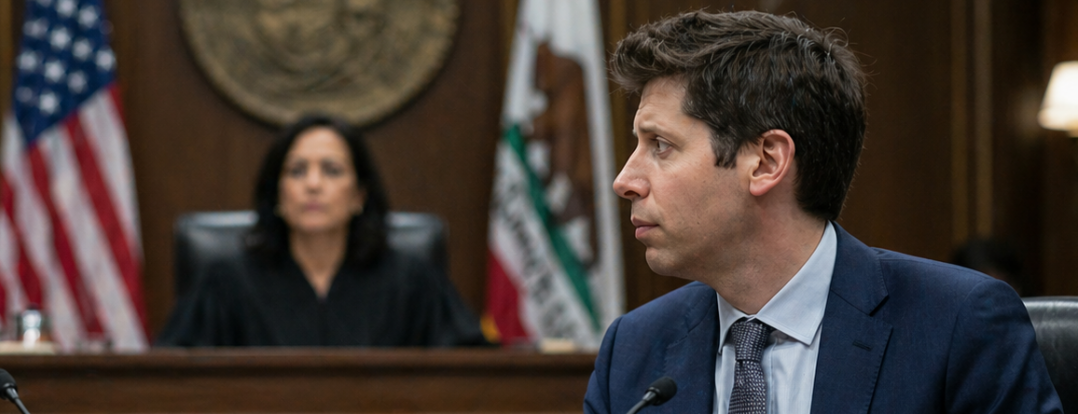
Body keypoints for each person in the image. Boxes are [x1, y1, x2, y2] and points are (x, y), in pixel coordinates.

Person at [584, 10, 1060, 414]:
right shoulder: (633, 350)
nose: (625, 181)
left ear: (766, 162)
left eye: (660, 145)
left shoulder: (958, 326)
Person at [157, 115, 486, 347]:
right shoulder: (226, 284)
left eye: (332, 170)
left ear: (359, 196)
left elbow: (472, 373)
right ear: (277, 195)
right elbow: (172, 379)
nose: (313, 185)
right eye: (297, 171)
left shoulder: (412, 283)